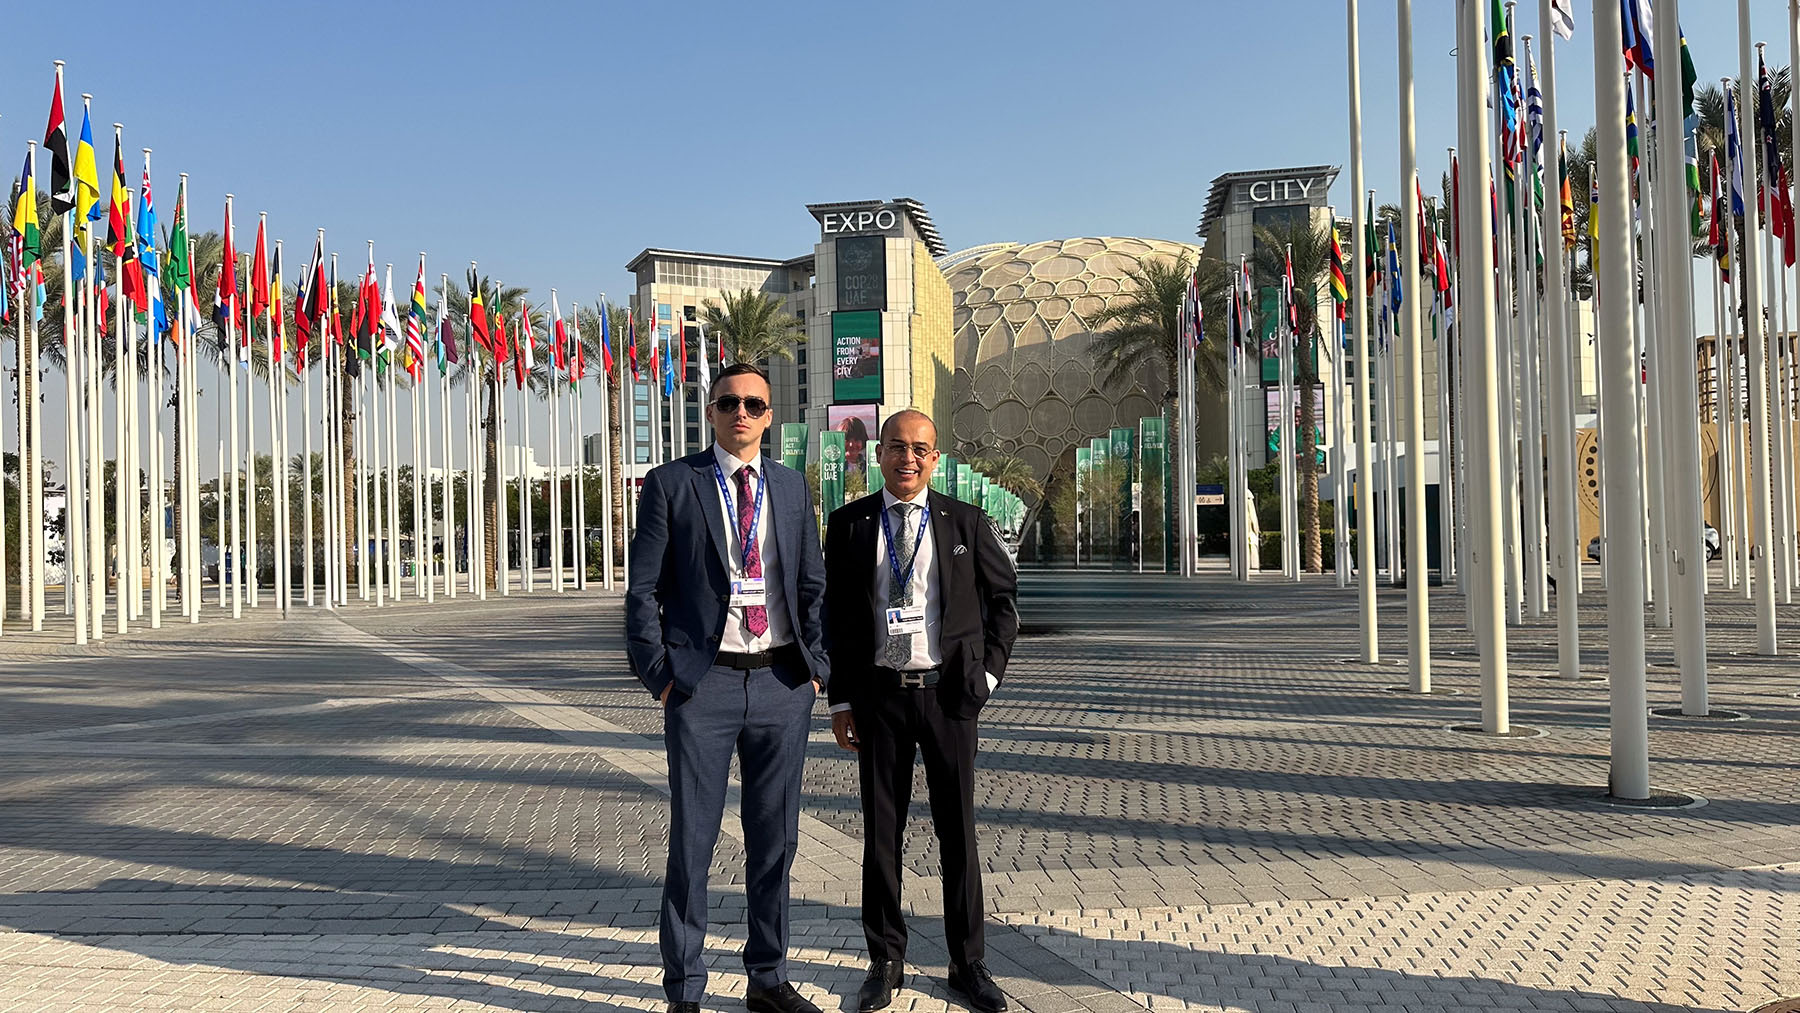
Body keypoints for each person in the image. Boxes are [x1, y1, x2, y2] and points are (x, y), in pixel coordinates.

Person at [626, 362, 829, 1013]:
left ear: (770, 415)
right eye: (728, 402)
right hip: (702, 688)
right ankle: (684, 988)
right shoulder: (671, 484)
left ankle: (767, 977)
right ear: (710, 411)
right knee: (693, 839)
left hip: (780, 683)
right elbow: (642, 593)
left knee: (777, 839)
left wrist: (817, 665)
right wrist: (662, 677)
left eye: (753, 403)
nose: (740, 412)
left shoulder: (793, 488)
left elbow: (812, 586)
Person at [824, 408, 1019, 1013]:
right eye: (897, 447)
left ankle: (968, 963)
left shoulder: (964, 520)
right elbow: (836, 616)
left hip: (948, 699)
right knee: (882, 834)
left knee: (957, 831)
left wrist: (984, 676)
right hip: (879, 698)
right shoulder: (850, 525)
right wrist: (841, 697)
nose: (908, 458)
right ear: (877, 454)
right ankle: (885, 960)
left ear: (935, 458)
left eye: (920, 449)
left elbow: (1003, 604)